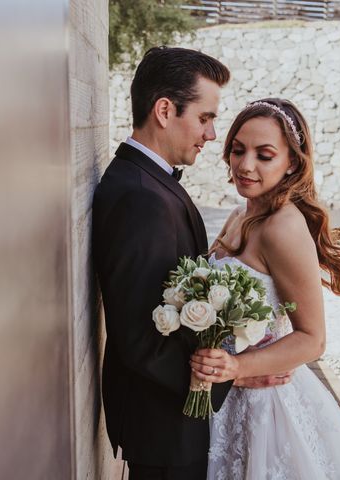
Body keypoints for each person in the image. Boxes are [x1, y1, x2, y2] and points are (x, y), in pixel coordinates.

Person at [92, 48, 290, 480]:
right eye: (204, 118)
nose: (212, 134)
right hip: (162, 422)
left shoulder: (148, 182)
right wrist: (228, 378)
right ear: (164, 110)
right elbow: (141, 338)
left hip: (168, 413)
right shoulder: (141, 198)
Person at [189, 98, 340, 479]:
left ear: (291, 162)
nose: (245, 165)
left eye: (264, 155)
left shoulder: (283, 228)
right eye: (238, 150)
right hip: (225, 395)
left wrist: (238, 367)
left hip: (267, 406)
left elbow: (312, 339)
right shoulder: (239, 215)